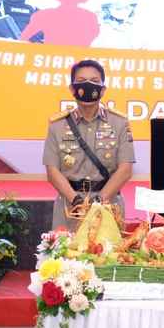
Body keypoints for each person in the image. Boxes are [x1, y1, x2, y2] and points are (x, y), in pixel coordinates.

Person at [43, 59, 135, 230]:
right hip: (70, 208)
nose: (87, 86)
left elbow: (125, 170)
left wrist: (98, 202)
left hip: (108, 206)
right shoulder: (57, 125)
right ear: (72, 89)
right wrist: (76, 201)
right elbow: (52, 171)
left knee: (109, 248)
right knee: (65, 248)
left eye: (94, 81)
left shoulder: (119, 123)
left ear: (103, 89)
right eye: (81, 81)